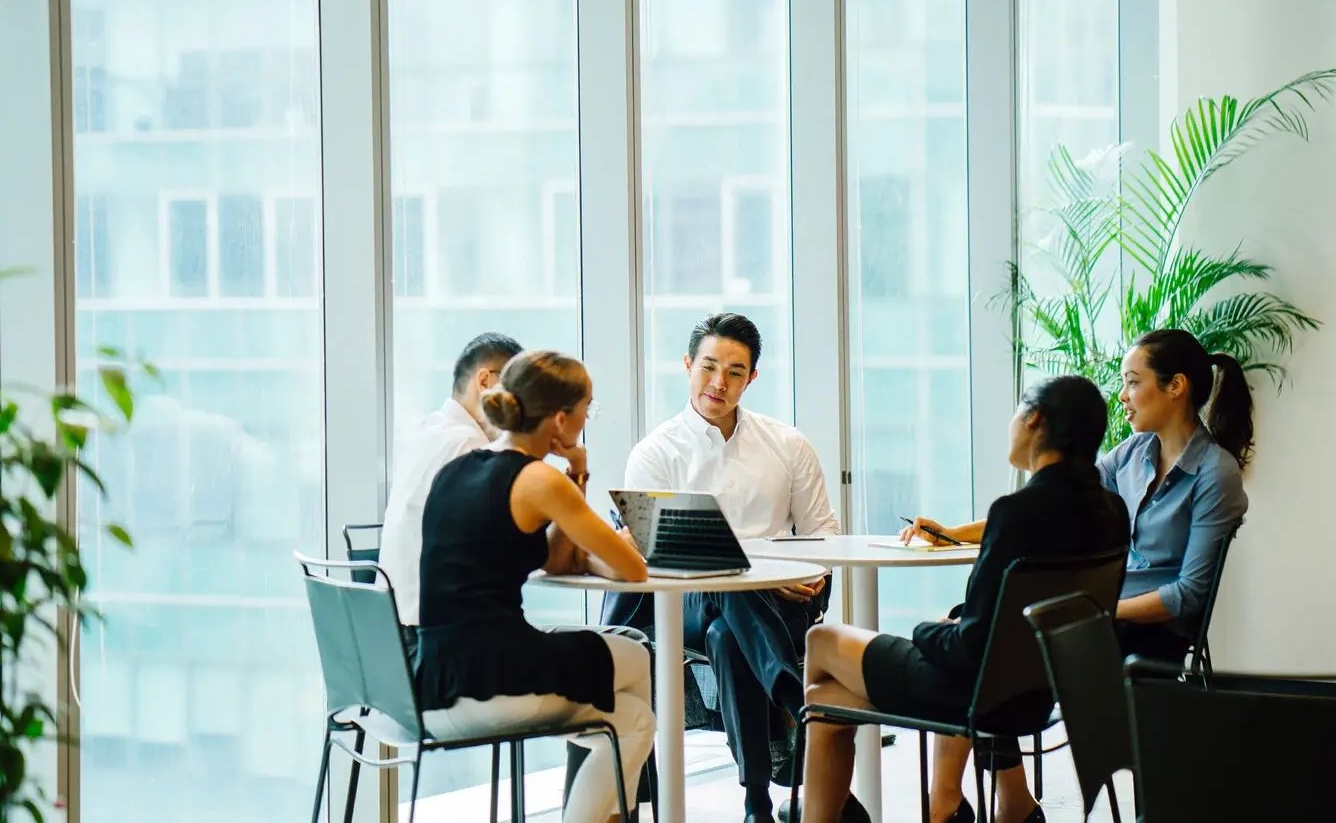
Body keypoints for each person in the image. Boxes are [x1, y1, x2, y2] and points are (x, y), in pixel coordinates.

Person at [903, 330, 1252, 822]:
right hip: (1097, 616)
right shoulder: (1132, 455)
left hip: (1150, 634)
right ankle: (1008, 804)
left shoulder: (1215, 473)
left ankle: (977, 806)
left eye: (1133, 382)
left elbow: (1187, 595)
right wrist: (955, 532)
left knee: (984, 639)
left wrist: (1095, 606)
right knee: (981, 632)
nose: (1123, 396)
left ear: (1176, 387)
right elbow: (1052, 502)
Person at [797, 376, 1130, 823]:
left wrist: (925, 631)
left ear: (1034, 421)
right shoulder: (1111, 511)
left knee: (821, 642)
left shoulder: (1016, 514)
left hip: (973, 695)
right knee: (829, 697)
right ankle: (956, 806)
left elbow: (968, 649)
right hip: (1044, 691)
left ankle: (888, 809)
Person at [601, 313, 841, 823]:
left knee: (726, 637)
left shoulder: (788, 445)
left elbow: (824, 537)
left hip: (779, 601)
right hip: (683, 601)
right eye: (708, 366)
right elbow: (652, 558)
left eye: (735, 371)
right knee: (725, 583)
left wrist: (815, 573)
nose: (719, 382)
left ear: (752, 378)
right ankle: (794, 701)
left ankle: (756, 802)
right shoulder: (656, 453)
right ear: (688, 365)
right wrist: (744, 570)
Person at [414, 349, 654, 823]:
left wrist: (576, 476)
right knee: (637, 658)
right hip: (495, 679)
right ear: (561, 421)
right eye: (588, 409)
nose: (589, 419)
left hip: (433, 679)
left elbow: (558, 559)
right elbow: (634, 570)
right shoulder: (538, 479)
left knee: (633, 720)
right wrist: (576, 478)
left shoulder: (458, 469)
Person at [379, 332, 522, 630]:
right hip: (439, 633)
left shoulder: (425, 431)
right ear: (485, 382)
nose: (520, 410)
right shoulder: (467, 446)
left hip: (395, 628)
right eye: (517, 393)